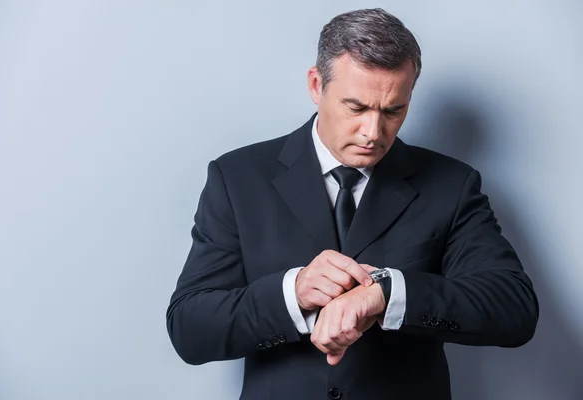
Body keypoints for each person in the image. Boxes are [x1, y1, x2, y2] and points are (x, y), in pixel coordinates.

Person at [166, 8, 539, 400]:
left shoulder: (452, 185)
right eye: (356, 108)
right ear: (316, 85)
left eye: (394, 110)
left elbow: (513, 309)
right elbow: (190, 330)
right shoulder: (238, 178)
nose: (373, 132)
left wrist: (389, 294)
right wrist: (292, 294)